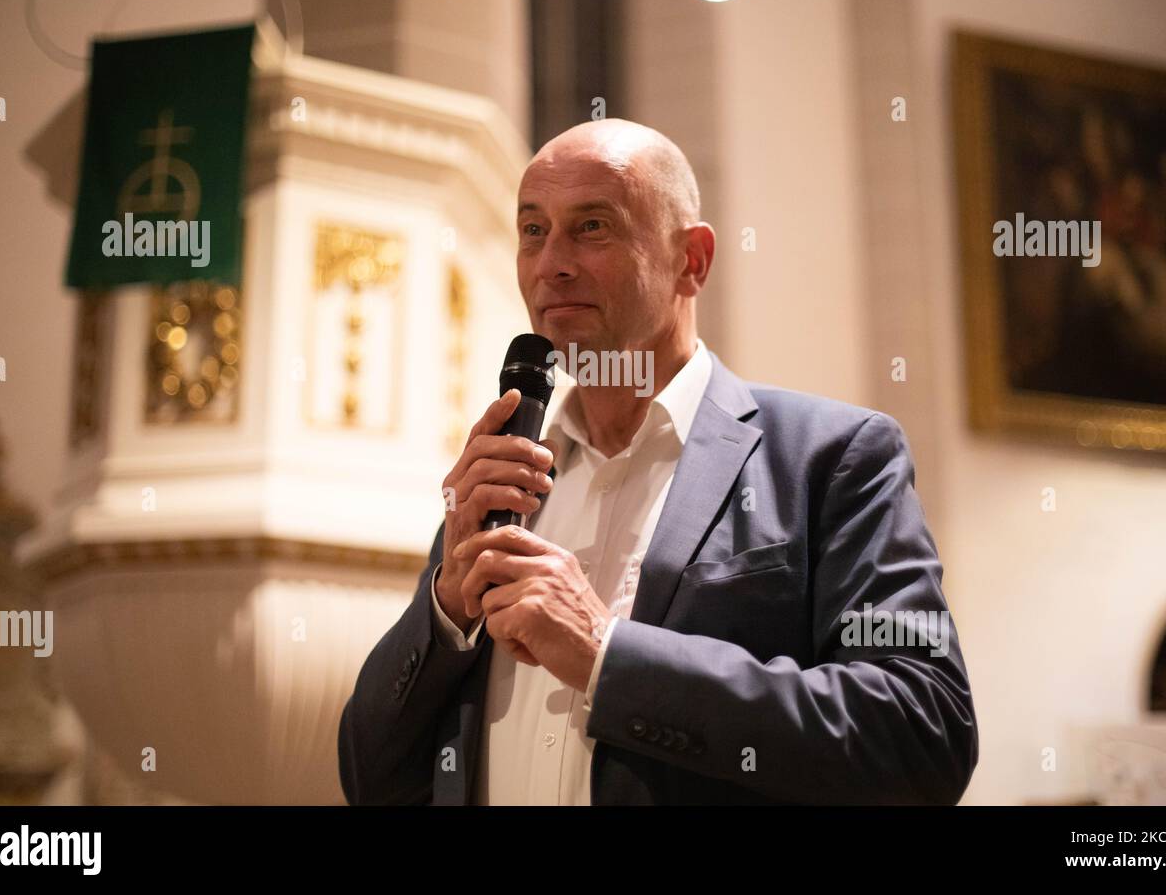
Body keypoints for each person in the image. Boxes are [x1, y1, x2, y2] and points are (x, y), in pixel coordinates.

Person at [338, 118, 978, 804]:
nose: (552, 261)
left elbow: (922, 732)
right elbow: (368, 775)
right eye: (532, 230)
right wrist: (443, 613)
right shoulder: (504, 478)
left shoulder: (830, 458)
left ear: (691, 261)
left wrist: (606, 657)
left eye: (592, 227)